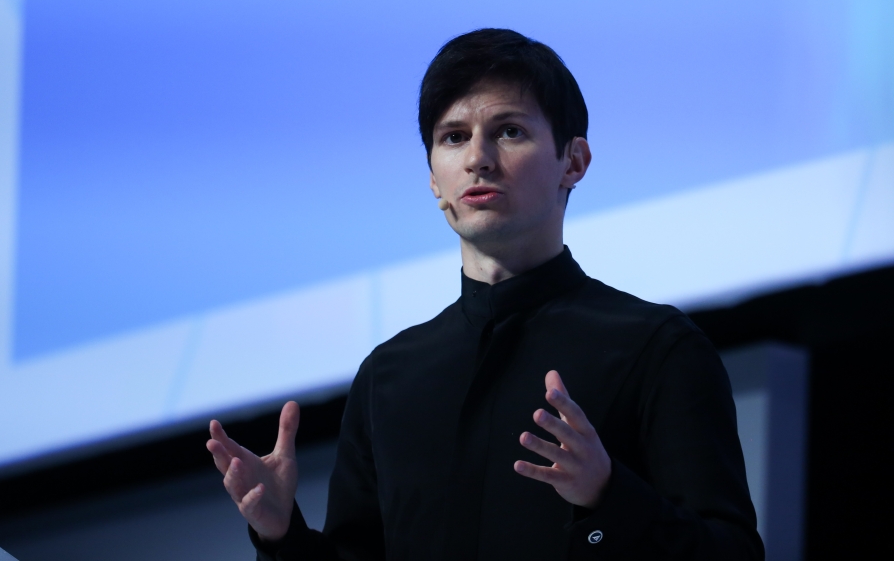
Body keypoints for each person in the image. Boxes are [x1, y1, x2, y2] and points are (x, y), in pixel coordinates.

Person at [206, 29, 764, 560]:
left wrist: (607, 497)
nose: (477, 158)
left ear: (573, 161)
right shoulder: (388, 377)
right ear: (433, 178)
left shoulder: (656, 348)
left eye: (510, 131)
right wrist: (282, 536)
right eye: (454, 138)